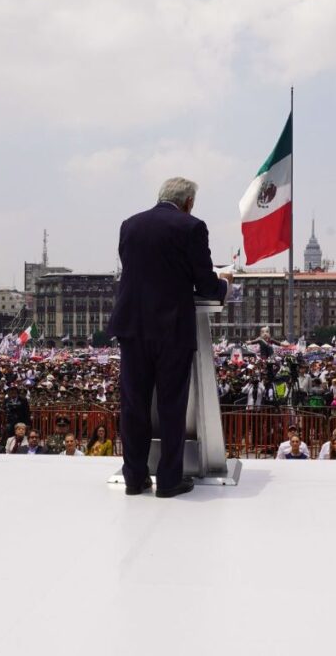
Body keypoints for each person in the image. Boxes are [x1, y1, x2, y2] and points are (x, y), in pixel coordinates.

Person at [106, 177, 229, 498]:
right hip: (172, 329)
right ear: (188, 202)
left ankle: (134, 478)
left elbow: (142, 270)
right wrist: (224, 284)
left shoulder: (129, 225)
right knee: (172, 405)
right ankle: (169, 480)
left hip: (132, 327)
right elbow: (204, 283)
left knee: (134, 405)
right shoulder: (191, 227)